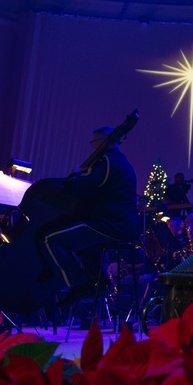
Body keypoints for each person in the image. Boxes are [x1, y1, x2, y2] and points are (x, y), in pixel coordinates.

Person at [37, 125, 142, 296]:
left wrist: (74, 174)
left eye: (94, 142)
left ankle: (77, 285)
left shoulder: (107, 162)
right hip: (122, 225)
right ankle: (99, 280)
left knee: (49, 239)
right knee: (82, 240)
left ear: (101, 142)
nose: (93, 147)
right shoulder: (123, 162)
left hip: (111, 225)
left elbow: (81, 186)